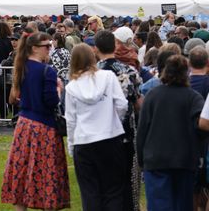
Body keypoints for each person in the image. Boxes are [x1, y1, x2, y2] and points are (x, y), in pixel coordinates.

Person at [1, 32, 70, 210]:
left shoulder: (22, 67)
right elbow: (51, 102)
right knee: (48, 172)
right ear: (34, 48)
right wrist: (59, 90)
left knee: (21, 171)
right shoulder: (47, 71)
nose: (50, 49)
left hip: (24, 124)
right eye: (47, 46)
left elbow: (15, 97)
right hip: (44, 127)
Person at [65, 44, 128, 210]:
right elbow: (122, 104)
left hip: (84, 141)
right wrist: (114, 120)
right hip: (110, 138)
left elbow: (71, 120)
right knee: (113, 189)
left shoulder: (71, 87)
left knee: (89, 192)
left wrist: (71, 145)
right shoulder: (108, 77)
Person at [138, 55, 204, 210]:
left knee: (159, 205)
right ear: (186, 73)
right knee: (182, 205)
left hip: (156, 160)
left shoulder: (153, 96)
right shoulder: (193, 98)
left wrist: (142, 158)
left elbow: (142, 130)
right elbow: (201, 128)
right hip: (184, 160)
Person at [94, 29, 142, 211]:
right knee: (125, 182)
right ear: (115, 46)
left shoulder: (92, 73)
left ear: (96, 48)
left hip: (99, 133)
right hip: (125, 133)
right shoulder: (129, 72)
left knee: (104, 182)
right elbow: (138, 104)